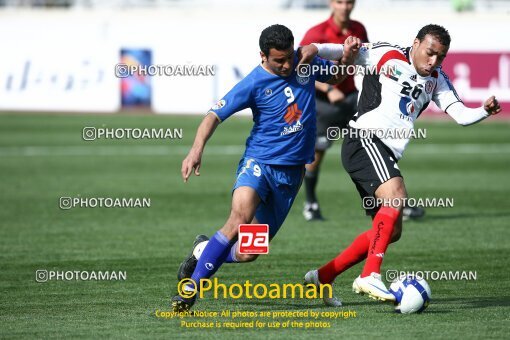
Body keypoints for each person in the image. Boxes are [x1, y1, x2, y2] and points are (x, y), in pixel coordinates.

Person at [300, 24, 501, 303]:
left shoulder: (437, 79)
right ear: (416, 43)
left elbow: (461, 115)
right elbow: (345, 51)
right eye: (430, 53)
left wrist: (484, 110)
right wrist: (315, 49)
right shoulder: (388, 54)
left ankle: (323, 276)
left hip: (385, 152)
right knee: (396, 197)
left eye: (441, 57)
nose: (433, 61)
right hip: (364, 139)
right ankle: (369, 276)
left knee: (390, 232)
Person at [171, 24, 359, 312]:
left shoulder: (303, 62)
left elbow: (336, 76)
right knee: (239, 217)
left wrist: (346, 57)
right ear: (262, 55)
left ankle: (202, 250)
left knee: (248, 252)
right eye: (278, 60)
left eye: (288, 58)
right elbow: (213, 115)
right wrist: (196, 150)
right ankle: (190, 289)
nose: (286, 65)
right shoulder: (253, 83)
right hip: (258, 163)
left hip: (291, 174)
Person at [300, 0, 368, 221]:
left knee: (374, 146)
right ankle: (310, 203)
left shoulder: (359, 29)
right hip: (323, 102)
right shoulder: (317, 32)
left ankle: (392, 203)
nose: (345, 7)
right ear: (331, 3)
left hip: (351, 98)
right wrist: (328, 88)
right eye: (340, 2)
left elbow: (366, 60)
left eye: (349, 2)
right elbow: (300, 67)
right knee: (317, 153)